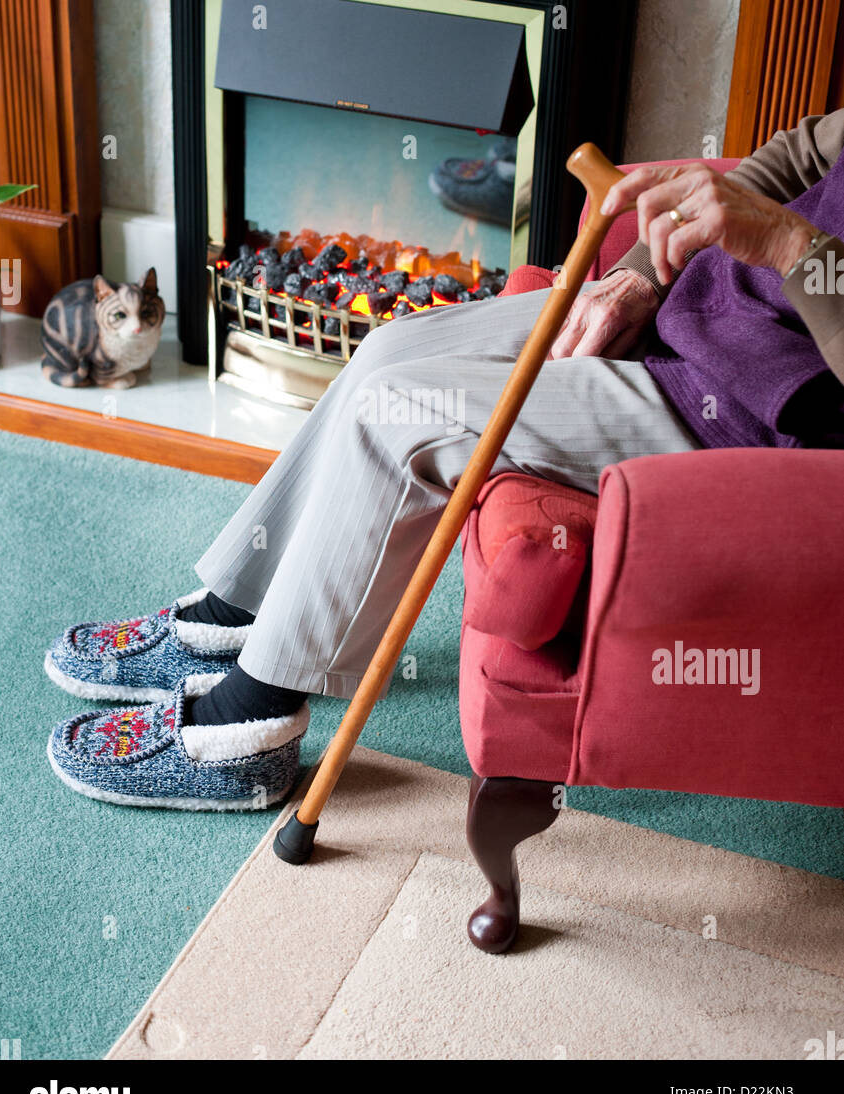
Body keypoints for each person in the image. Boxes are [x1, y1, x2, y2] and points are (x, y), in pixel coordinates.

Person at [45, 110, 844, 810]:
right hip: (689, 306)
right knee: (390, 346)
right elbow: (800, 154)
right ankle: (236, 613)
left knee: (391, 417)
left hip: (758, 406)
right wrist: (636, 279)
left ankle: (246, 729)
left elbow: (790, 232)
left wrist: (782, 241)